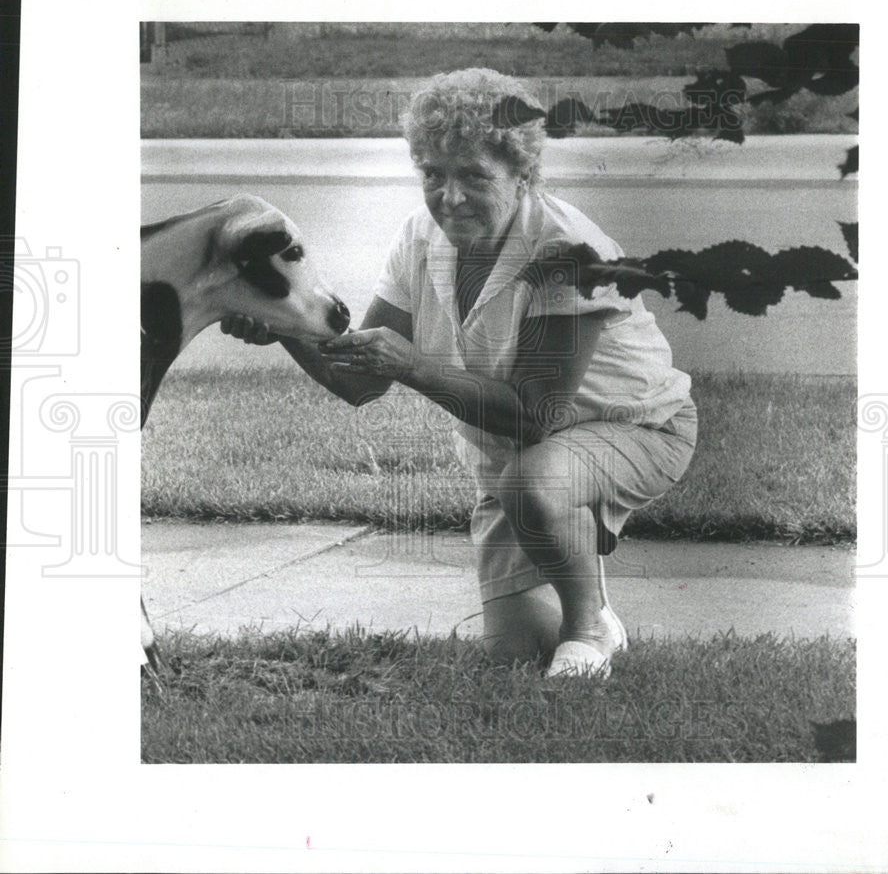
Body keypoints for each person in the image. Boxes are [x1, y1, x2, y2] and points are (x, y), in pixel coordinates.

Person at [222, 68, 696, 677]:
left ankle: (589, 628)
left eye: (474, 175)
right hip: (516, 460)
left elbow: (535, 414)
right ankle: (576, 567)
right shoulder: (421, 237)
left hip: (637, 428)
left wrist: (416, 367)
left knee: (536, 486)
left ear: (522, 175)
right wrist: (282, 324)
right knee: (515, 653)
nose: (450, 197)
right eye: (433, 174)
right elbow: (361, 381)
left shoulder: (566, 251)